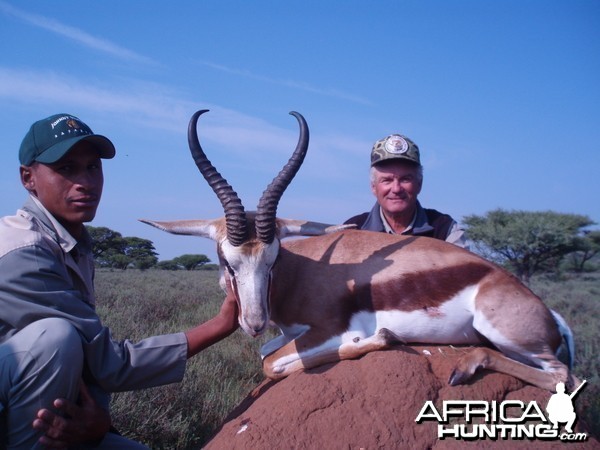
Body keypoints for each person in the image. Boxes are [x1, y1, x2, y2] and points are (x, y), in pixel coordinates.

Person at [0, 113, 240, 448]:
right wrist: (220, 325)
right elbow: (108, 364)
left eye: (92, 167)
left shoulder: (73, 242)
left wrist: (99, 422)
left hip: (40, 403)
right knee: (54, 338)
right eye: (66, 169)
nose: (84, 181)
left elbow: (88, 362)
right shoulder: (24, 250)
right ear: (28, 178)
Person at [344, 133, 467, 247]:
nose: (396, 189)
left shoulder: (446, 230)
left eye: (405, 179)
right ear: (373, 187)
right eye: (387, 180)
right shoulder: (351, 232)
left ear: (419, 184)